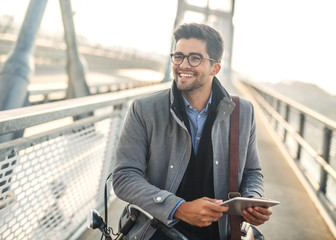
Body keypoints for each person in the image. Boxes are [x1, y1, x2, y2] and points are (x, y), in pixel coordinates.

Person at [112, 22, 272, 240]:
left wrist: (252, 201)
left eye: (194, 58)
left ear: (215, 68)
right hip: (159, 230)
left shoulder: (243, 112)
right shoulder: (144, 109)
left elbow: (252, 172)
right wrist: (178, 207)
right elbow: (124, 177)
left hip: (221, 232)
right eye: (178, 56)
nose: (183, 65)